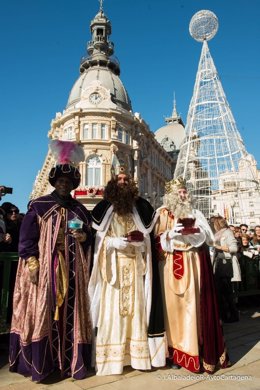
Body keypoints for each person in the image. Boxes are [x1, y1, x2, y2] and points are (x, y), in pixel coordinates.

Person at [9, 140, 92, 382]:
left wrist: (84, 236)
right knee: (46, 311)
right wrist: (32, 262)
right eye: (61, 182)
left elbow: (90, 239)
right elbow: (26, 239)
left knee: (71, 312)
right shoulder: (39, 206)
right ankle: (44, 363)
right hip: (46, 270)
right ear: (55, 182)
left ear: (73, 184)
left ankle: (69, 361)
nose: (64, 185)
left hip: (74, 270)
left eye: (68, 182)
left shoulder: (80, 210)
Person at [88, 170, 165, 376]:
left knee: (136, 311)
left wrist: (140, 244)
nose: (123, 182)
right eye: (119, 180)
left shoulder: (140, 208)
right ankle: (112, 360)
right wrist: (115, 242)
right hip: (112, 269)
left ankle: (137, 357)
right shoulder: (104, 208)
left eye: (126, 180)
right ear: (113, 183)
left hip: (135, 268)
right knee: (113, 312)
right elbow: (98, 241)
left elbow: (147, 241)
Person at [153, 176, 230, 374]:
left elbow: (209, 237)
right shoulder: (161, 213)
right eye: (179, 192)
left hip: (193, 262)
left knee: (193, 307)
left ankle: (195, 349)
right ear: (170, 195)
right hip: (170, 263)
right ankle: (175, 352)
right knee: (171, 309)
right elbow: (153, 241)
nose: (183, 194)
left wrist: (196, 233)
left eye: (184, 191)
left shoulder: (195, 212)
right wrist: (169, 235)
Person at [210, 215, 241, 323]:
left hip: (225, 264)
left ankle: (233, 315)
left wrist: (219, 247)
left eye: (214, 223)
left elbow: (234, 248)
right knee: (220, 293)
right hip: (218, 264)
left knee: (227, 292)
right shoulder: (217, 234)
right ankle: (224, 315)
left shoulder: (227, 232)